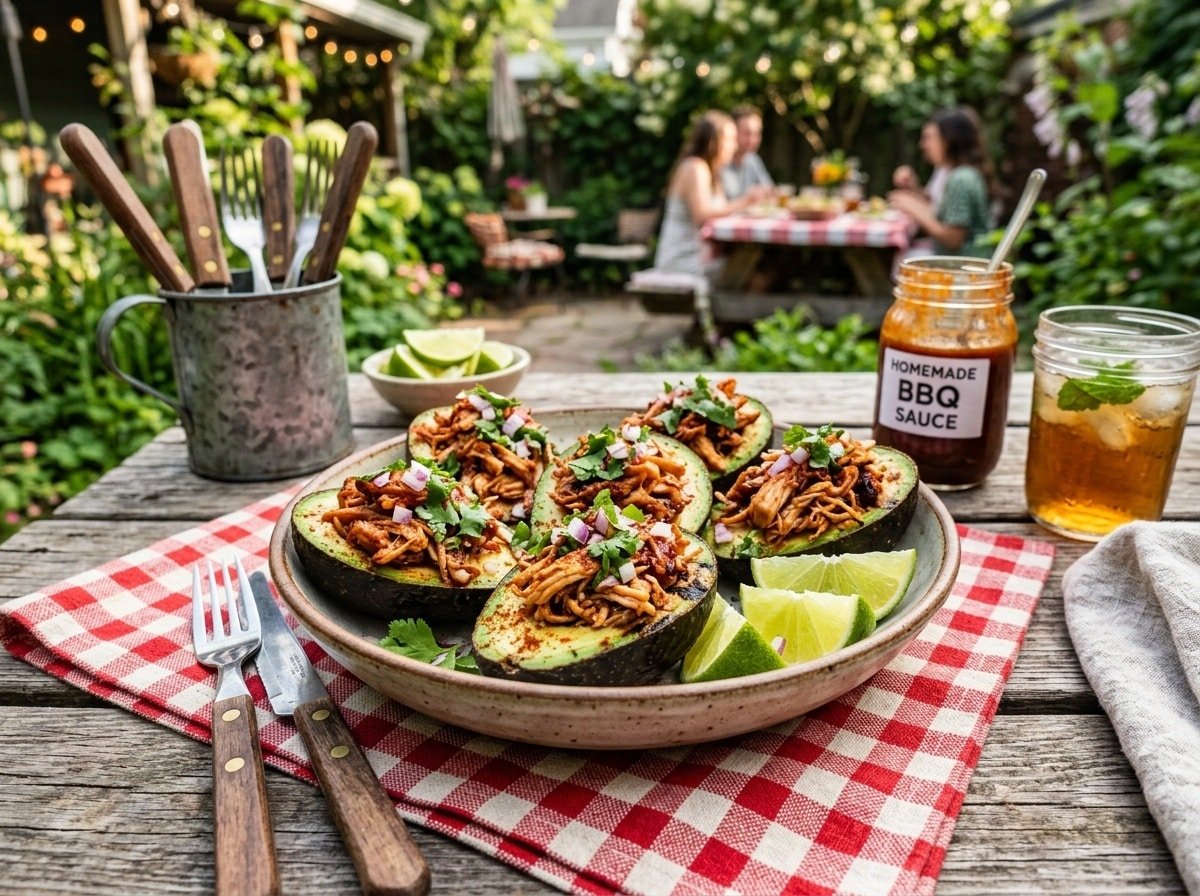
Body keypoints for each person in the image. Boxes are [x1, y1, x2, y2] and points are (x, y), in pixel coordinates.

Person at [653, 110, 773, 280]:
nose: (734, 145)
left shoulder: (711, 172)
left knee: (759, 264)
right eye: (730, 140)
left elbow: (722, 211)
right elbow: (702, 216)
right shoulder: (695, 168)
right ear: (713, 143)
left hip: (701, 255)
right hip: (682, 260)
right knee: (758, 272)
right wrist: (746, 201)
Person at [889, 107, 997, 258]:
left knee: (899, 260)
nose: (923, 145)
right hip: (953, 260)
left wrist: (914, 208)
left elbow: (953, 239)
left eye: (929, 138)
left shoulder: (961, 178)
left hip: (962, 268)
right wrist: (913, 189)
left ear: (949, 140)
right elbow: (940, 210)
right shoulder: (946, 170)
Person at [719, 106, 774, 200]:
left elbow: (770, 192)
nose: (753, 140)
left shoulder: (753, 159)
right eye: (747, 133)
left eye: (757, 134)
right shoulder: (718, 163)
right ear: (732, 132)